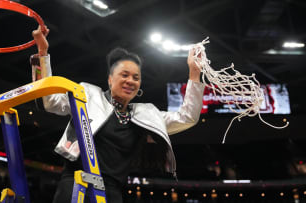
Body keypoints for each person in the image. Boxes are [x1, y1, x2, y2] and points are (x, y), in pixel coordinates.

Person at [31, 26, 205, 203]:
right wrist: (42, 52)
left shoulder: (145, 115)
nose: (130, 81)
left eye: (136, 78)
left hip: (111, 193)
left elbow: (187, 117)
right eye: (124, 75)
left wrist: (194, 71)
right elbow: (48, 100)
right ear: (110, 79)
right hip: (76, 184)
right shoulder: (87, 94)